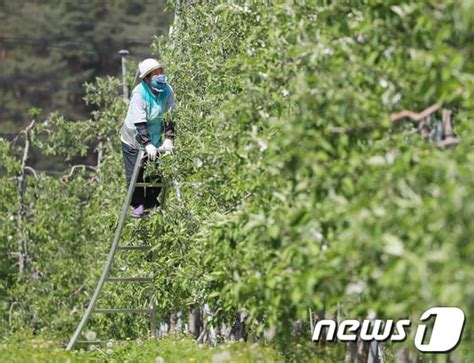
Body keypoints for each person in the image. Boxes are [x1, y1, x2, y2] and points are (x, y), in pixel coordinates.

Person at [120, 58, 176, 218]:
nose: (160, 75)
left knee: (157, 170)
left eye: (161, 71)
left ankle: (151, 201)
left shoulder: (167, 90)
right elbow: (139, 121)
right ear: (147, 77)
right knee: (136, 174)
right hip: (134, 138)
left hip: (155, 136)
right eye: (155, 73)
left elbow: (170, 115)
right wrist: (148, 144)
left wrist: (169, 138)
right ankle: (137, 205)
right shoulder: (140, 93)